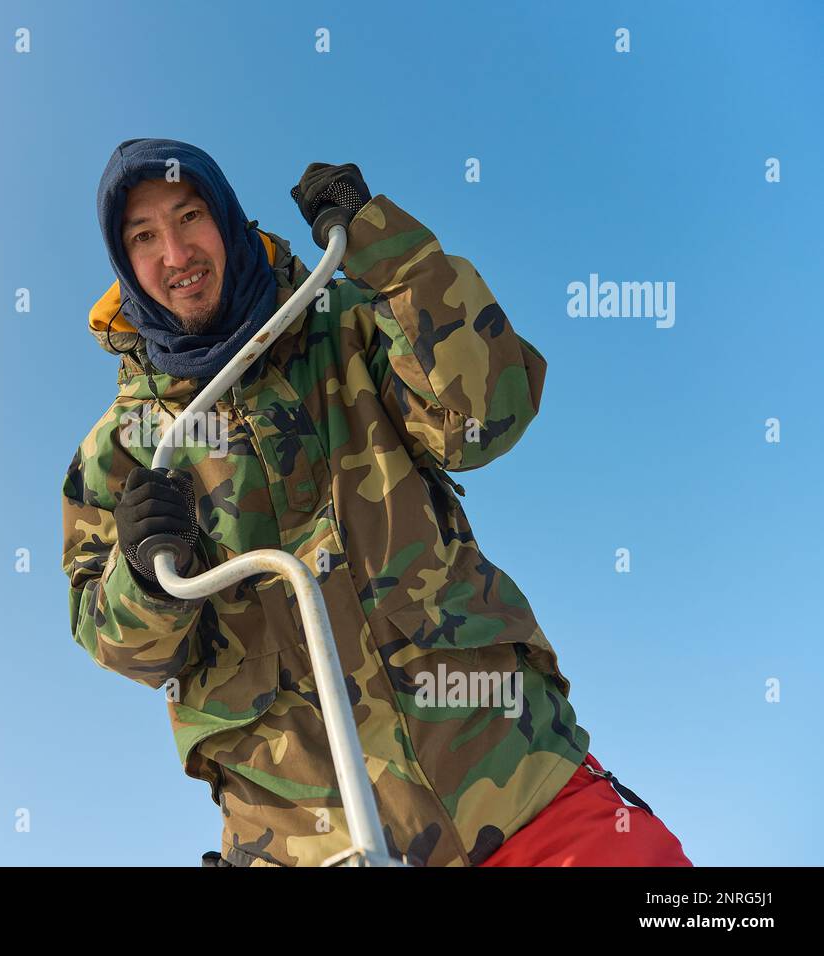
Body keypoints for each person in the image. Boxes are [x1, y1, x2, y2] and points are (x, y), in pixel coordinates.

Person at [61, 138, 691, 867]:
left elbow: (489, 414)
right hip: (310, 842)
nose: (176, 252)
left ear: (227, 218)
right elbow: (118, 644)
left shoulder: (348, 319)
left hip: (511, 787)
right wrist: (138, 579)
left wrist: (386, 245)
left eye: (190, 215)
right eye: (143, 237)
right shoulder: (123, 449)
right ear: (124, 265)